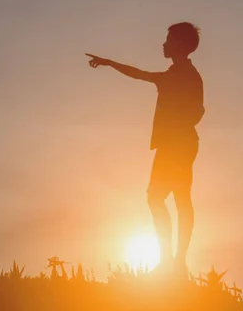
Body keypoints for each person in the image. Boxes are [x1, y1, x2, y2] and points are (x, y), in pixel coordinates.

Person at [85, 22, 205, 279]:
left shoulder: (186, 75)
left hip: (178, 145)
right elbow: (139, 74)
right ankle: (173, 263)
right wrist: (109, 62)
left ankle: (175, 263)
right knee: (169, 198)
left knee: (168, 198)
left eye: (168, 39)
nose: (163, 43)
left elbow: (198, 111)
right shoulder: (175, 74)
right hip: (177, 144)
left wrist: (181, 124)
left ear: (181, 45)